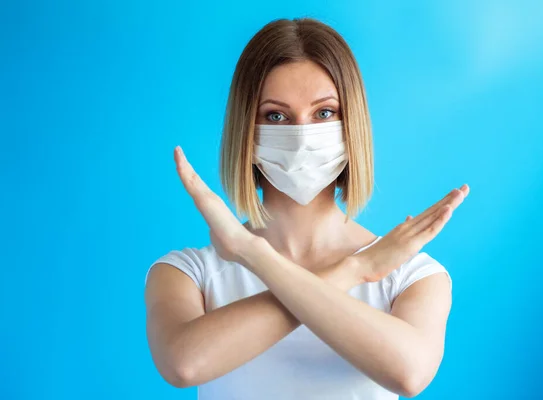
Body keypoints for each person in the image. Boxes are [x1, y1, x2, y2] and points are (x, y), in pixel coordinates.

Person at [144, 17, 469, 400]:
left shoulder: (412, 275)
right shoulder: (186, 274)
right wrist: (354, 270)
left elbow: (409, 374)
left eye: (325, 113)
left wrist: (252, 253)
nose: (301, 135)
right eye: (276, 116)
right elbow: (185, 364)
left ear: (353, 126)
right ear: (246, 128)